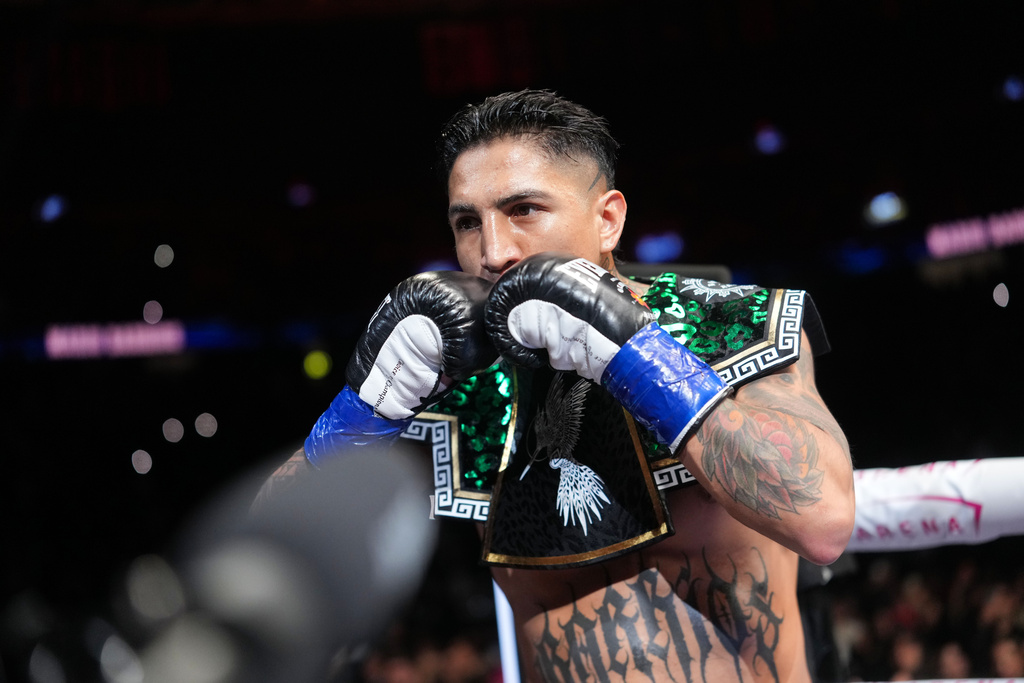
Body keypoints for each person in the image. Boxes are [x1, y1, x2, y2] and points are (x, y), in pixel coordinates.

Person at [257, 90, 855, 683]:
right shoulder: (465, 381)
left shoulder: (728, 328)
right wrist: (363, 409)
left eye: (523, 210)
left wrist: (640, 359)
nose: (492, 252)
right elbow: (269, 554)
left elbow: (822, 521)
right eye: (468, 222)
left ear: (608, 219)